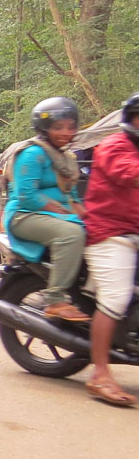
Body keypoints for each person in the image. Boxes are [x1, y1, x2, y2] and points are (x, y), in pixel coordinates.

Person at [2, 96, 90, 322]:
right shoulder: (33, 153)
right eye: (58, 127)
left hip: (52, 214)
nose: (65, 132)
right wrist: (62, 212)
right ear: (44, 128)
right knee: (71, 234)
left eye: (70, 127)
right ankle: (55, 299)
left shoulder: (65, 156)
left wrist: (89, 217)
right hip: (25, 215)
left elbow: (71, 195)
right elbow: (26, 195)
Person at [80, 93, 139, 406]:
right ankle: (100, 373)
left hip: (133, 232)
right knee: (115, 298)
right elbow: (129, 174)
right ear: (131, 119)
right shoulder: (115, 145)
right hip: (111, 232)